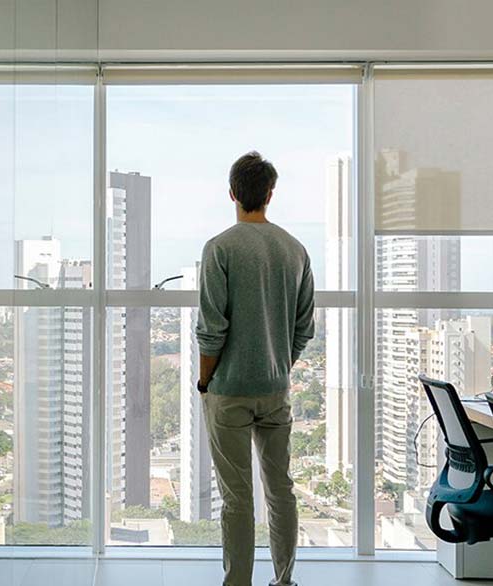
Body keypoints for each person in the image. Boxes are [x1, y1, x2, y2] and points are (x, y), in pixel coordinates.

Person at [196, 151, 314, 586]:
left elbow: (211, 331)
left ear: (232, 193)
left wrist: (204, 381)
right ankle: (284, 580)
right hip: (275, 388)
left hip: (228, 389)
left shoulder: (219, 248)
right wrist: (279, 364)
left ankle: (238, 583)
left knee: (237, 498)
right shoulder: (295, 249)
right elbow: (304, 328)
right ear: (270, 194)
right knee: (280, 491)